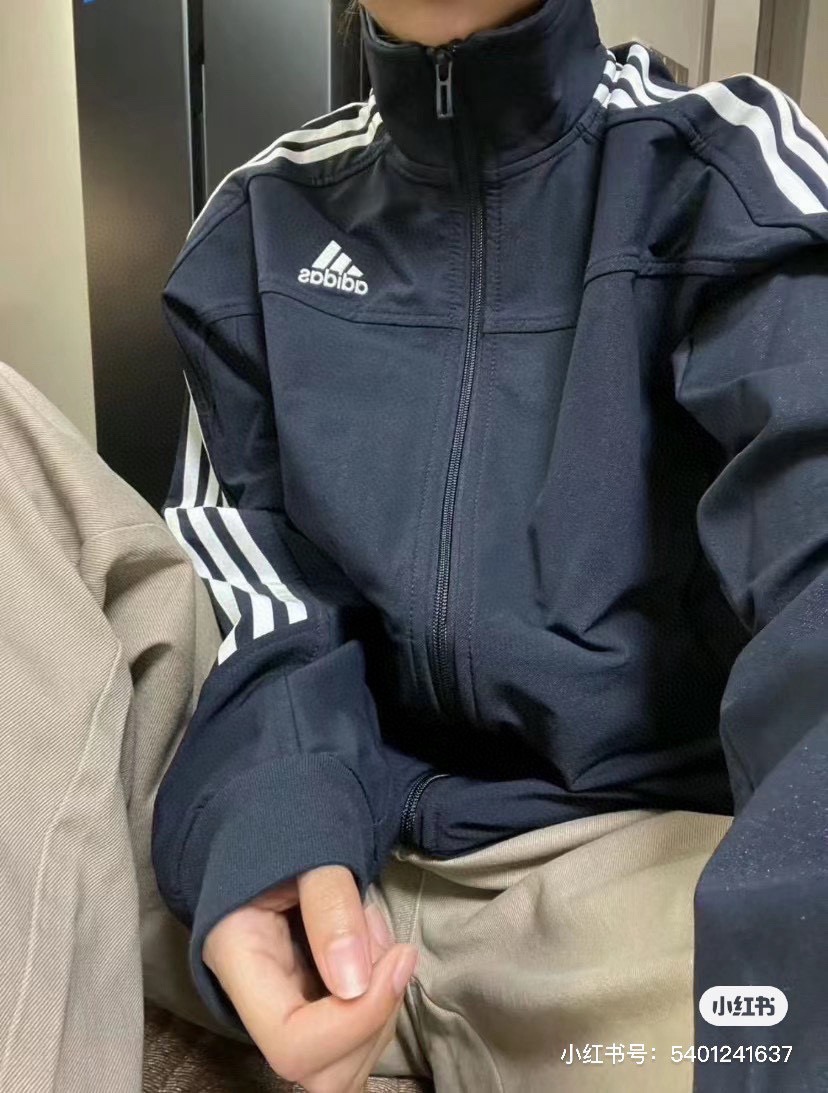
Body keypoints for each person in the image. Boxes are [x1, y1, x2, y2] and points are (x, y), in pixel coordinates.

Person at [7, 1, 823, 1091]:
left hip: (624, 891)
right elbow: (251, 586)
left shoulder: (726, 174)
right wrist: (269, 833)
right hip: (286, 838)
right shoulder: (259, 214)